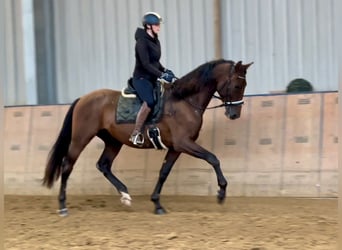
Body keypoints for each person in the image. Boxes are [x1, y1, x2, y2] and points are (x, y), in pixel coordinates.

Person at [129, 12, 175, 146]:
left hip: (152, 77)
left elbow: (155, 61)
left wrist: (165, 70)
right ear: (148, 26)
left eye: (158, 24)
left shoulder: (155, 39)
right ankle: (136, 133)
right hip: (141, 78)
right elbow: (146, 64)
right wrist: (161, 75)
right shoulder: (141, 42)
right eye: (156, 24)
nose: (158, 27)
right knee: (149, 101)